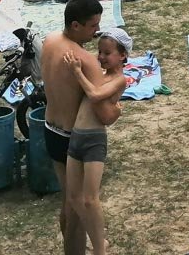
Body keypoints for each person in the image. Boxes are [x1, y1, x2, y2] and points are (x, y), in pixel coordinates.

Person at [41, 0, 117, 255]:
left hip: (50, 129)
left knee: (68, 201)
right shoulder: (84, 59)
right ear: (76, 25)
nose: (97, 32)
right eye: (93, 26)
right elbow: (105, 115)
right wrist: (117, 107)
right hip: (74, 138)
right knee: (78, 208)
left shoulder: (50, 41)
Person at [61, 29, 131, 255]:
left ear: (122, 56)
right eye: (99, 51)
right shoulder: (98, 73)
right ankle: (98, 239)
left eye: (107, 53)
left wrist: (77, 72)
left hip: (93, 141)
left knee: (90, 199)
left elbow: (94, 95)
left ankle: (100, 249)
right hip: (76, 138)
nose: (101, 57)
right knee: (73, 198)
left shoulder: (119, 80)